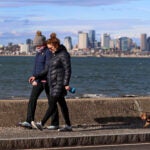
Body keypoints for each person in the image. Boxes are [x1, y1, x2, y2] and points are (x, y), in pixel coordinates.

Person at [29, 33, 72, 131]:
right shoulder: (54, 55)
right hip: (53, 83)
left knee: (52, 104)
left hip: (59, 83)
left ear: (56, 45)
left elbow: (68, 70)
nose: (50, 49)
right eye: (48, 48)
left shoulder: (64, 55)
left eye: (51, 48)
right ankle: (68, 125)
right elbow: (46, 70)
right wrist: (35, 76)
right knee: (62, 104)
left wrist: (65, 83)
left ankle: (41, 123)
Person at [19, 31, 59, 130]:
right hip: (38, 80)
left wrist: (36, 76)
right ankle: (28, 121)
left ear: (43, 44)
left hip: (47, 81)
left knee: (52, 102)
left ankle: (55, 123)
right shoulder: (38, 53)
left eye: (39, 46)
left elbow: (47, 68)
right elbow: (36, 67)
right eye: (36, 46)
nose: (37, 47)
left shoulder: (48, 53)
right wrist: (34, 77)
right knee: (32, 99)